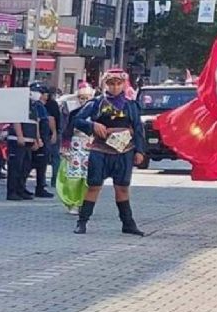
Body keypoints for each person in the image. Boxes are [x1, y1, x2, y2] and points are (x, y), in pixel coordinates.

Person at [72, 68, 146, 236]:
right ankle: (82, 222)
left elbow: (138, 129)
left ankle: (128, 223)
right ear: (105, 84)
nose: (114, 87)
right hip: (100, 149)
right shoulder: (96, 103)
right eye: (111, 83)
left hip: (124, 151)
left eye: (118, 83)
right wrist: (92, 125)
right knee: (94, 186)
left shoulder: (130, 105)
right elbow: (77, 120)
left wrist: (140, 151)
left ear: (124, 84)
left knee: (122, 188)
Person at [6, 83, 51, 201]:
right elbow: (16, 120)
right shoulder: (20, 104)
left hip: (29, 141)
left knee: (25, 167)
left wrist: (37, 139)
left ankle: (20, 190)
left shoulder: (34, 106)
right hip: (18, 140)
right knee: (15, 167)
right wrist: (20, 135)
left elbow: (35, 123)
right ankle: (12, 192)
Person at [56, 81, 95, 214]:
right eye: (81, 98)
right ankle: (72, 202)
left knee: (89, 177)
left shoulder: (97, 114)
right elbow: (67, 130)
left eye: (87, 98)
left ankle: (85, 202)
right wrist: (65, 146)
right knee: (74, 176)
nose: (84, 101)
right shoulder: (74, 113)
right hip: (76, 147)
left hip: (91, 148)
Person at [44, 88, 62, 188]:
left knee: (48, 158)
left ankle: (47, 180)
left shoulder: (49, 104)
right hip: (52, 133)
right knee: (55, 158)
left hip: (49, 133)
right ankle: (54, 180)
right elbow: (53, 118)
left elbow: (52, 118)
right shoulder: (52, 104)